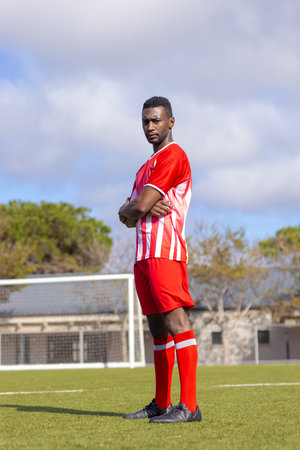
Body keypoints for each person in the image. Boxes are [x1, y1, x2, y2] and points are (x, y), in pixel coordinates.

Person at [118, 96, 201, 423]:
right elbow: (125, 213)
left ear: (170, 122)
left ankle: (190, 406)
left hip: (165, 252)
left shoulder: (174, 156)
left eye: (156, 120)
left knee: (175, 322)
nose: (150, 127)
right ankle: (162, 403)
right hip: (142, 255)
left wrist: (138, 206)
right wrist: (137, 206)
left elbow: (134, 208)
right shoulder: (143, 169)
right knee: (156, 328)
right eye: (145, 122)